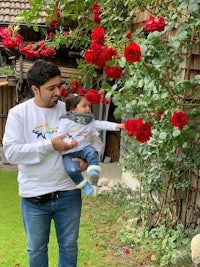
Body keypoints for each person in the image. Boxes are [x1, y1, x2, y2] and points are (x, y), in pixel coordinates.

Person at [2, 59, 88, 267]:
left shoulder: (69, 110)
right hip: (34, 197)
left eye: (59, 85)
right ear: (35, 89)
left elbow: (90, 138)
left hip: (68, 192)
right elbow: (11, 154)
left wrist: (85, 160)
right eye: (51, 88)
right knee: (37, 249)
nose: (58, 92)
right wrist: (50, 145)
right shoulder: (18, 114)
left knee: (69, 246)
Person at [57, 94, 124, 196]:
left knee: (92, 151)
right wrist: (69, 143)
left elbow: (101, 124)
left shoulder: (90, 121)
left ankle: (93, 171)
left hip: (84, 149)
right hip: (69, 153)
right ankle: (84, 185)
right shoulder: (65, 121)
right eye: (84, 106)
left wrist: (115, 126)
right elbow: (60, 136)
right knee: (71, 170)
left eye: (88, 106)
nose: (88, 109)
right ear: (73, 109)